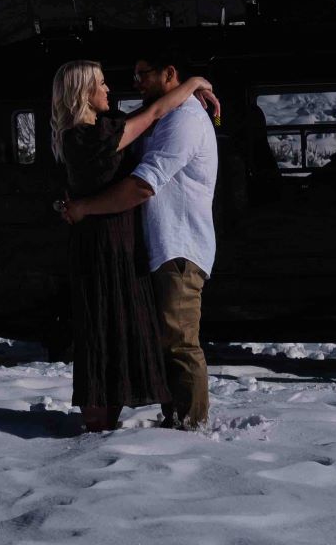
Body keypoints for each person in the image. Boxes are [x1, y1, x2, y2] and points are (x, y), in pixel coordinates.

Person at [50, 59, 220, 433]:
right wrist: (191, 83)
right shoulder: (87, 135)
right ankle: (134, 419)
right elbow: (154, 110)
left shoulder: (137, 124)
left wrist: (189, 86)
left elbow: (153, 116)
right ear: (83, 93)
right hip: (109, 245)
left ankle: (187, 424)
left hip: (142, 245)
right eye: (102, 83)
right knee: (114, 331)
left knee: (162, 338)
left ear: (168, 72)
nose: (122, 86)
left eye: (145, 73)